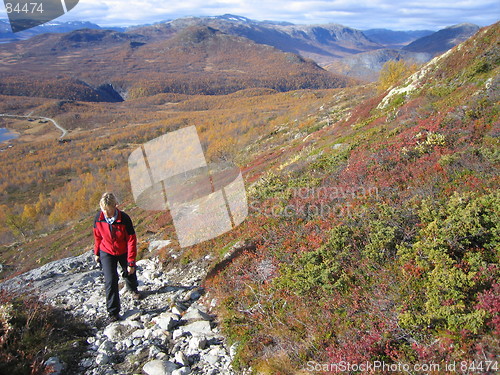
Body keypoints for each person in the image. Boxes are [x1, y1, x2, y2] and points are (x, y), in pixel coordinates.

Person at [93, 192, 141, 322]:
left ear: (115, 206)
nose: (106, 214)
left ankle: (133, 289)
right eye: (103, 210)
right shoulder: (98, 218)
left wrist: (131, 261)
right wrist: (96, 253)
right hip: (106, 251)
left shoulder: (124, 218)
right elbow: (97, 236)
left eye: (109, 210)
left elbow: (131, 239)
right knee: (110, 280)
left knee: (129, 271)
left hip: (123, 249)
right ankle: (113, 312)